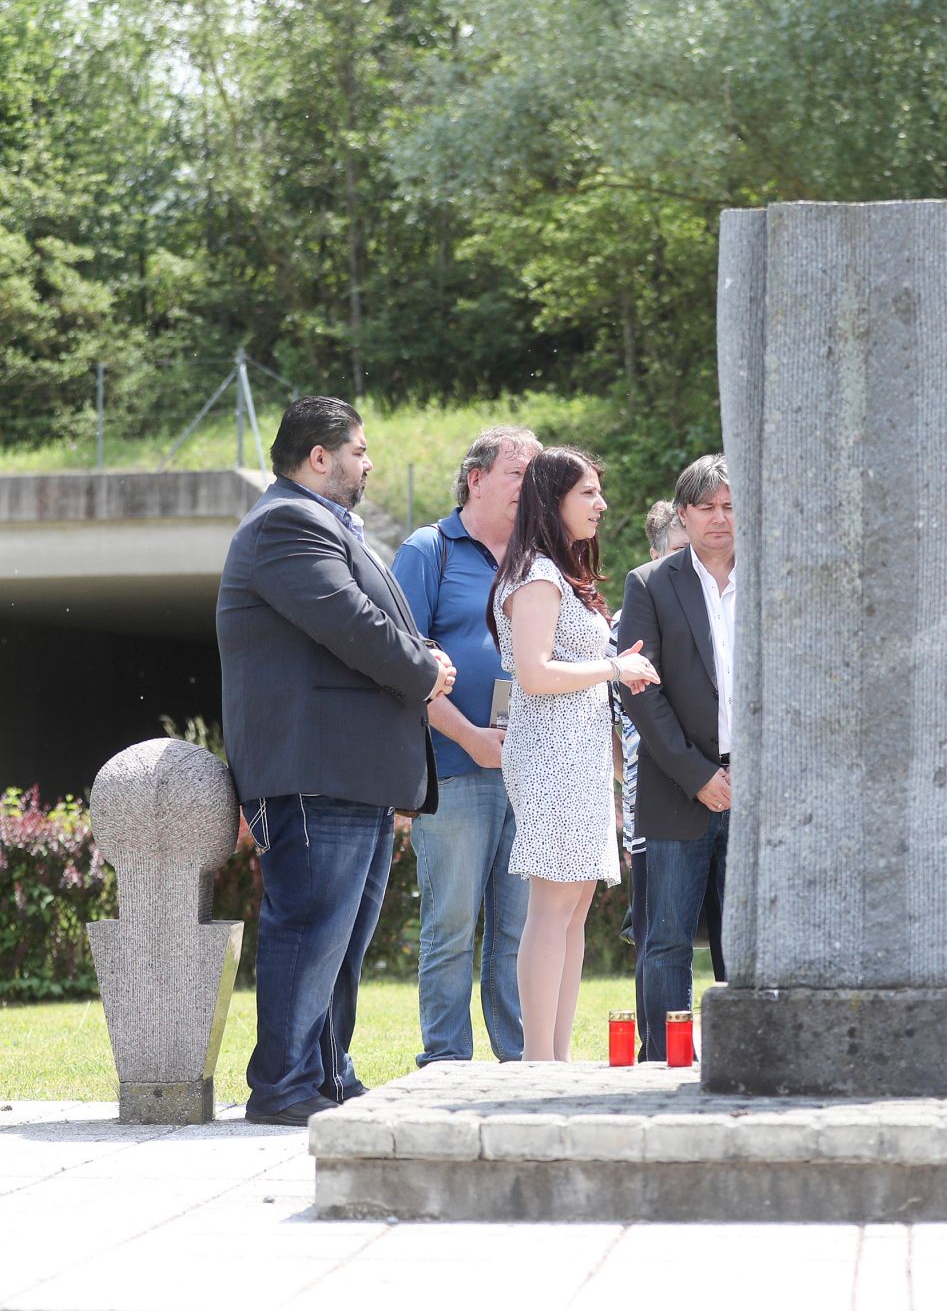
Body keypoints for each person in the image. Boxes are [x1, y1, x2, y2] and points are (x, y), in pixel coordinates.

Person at [217, 396, 455, 1125]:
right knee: (311, 929)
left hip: (347, 774)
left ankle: (326, 1078)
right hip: (314, 772)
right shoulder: (286, 523)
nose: (368, 461)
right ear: (318, 457)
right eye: (358, 449)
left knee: (340, 944)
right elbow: (350, 623)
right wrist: (423, 669)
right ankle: (284, 1086)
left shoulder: (317, 523)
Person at [489, 447, 658, 1061]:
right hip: (549, 754)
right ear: (553, 499)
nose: (601, 504)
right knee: (553, 901)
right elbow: (533, 674)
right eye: (588, 493)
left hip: (580, 754)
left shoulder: (561, 573)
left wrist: (613, 673)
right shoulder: (535, 573)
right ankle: (539, 1059)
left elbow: (571, 669)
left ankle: (557, 1056)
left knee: (576, 904)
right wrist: (613, 665)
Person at [392, 426, 541, 1067]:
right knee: (451, 930)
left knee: (516, 934)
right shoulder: (429, 551)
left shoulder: (539, 557)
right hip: (454, 770)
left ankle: (519, 1060)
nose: (529, 486)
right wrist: (474, 739)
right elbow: (399, 666)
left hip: (532, 773)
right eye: (517, 473)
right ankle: (446, 1064)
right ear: (476, 478)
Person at [617, 454, 734, 1062]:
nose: (720, 519)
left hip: (756, 786)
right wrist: (698, 775)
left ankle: (747, 1058)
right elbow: (641, 694)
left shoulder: (773, 579)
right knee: (664, 939)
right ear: (683, 516)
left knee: (747, 944)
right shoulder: (651, 583)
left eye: (730, 507)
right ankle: (664, 1061)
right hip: (674, 783)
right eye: (706, 508)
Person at [613, 500, 690, 947]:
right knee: (659, 940)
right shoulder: (625, 626)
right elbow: (612, 726)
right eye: (679, 551)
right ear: (656, 556)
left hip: (720, 792)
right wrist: (630, 786)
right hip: (651, 806)